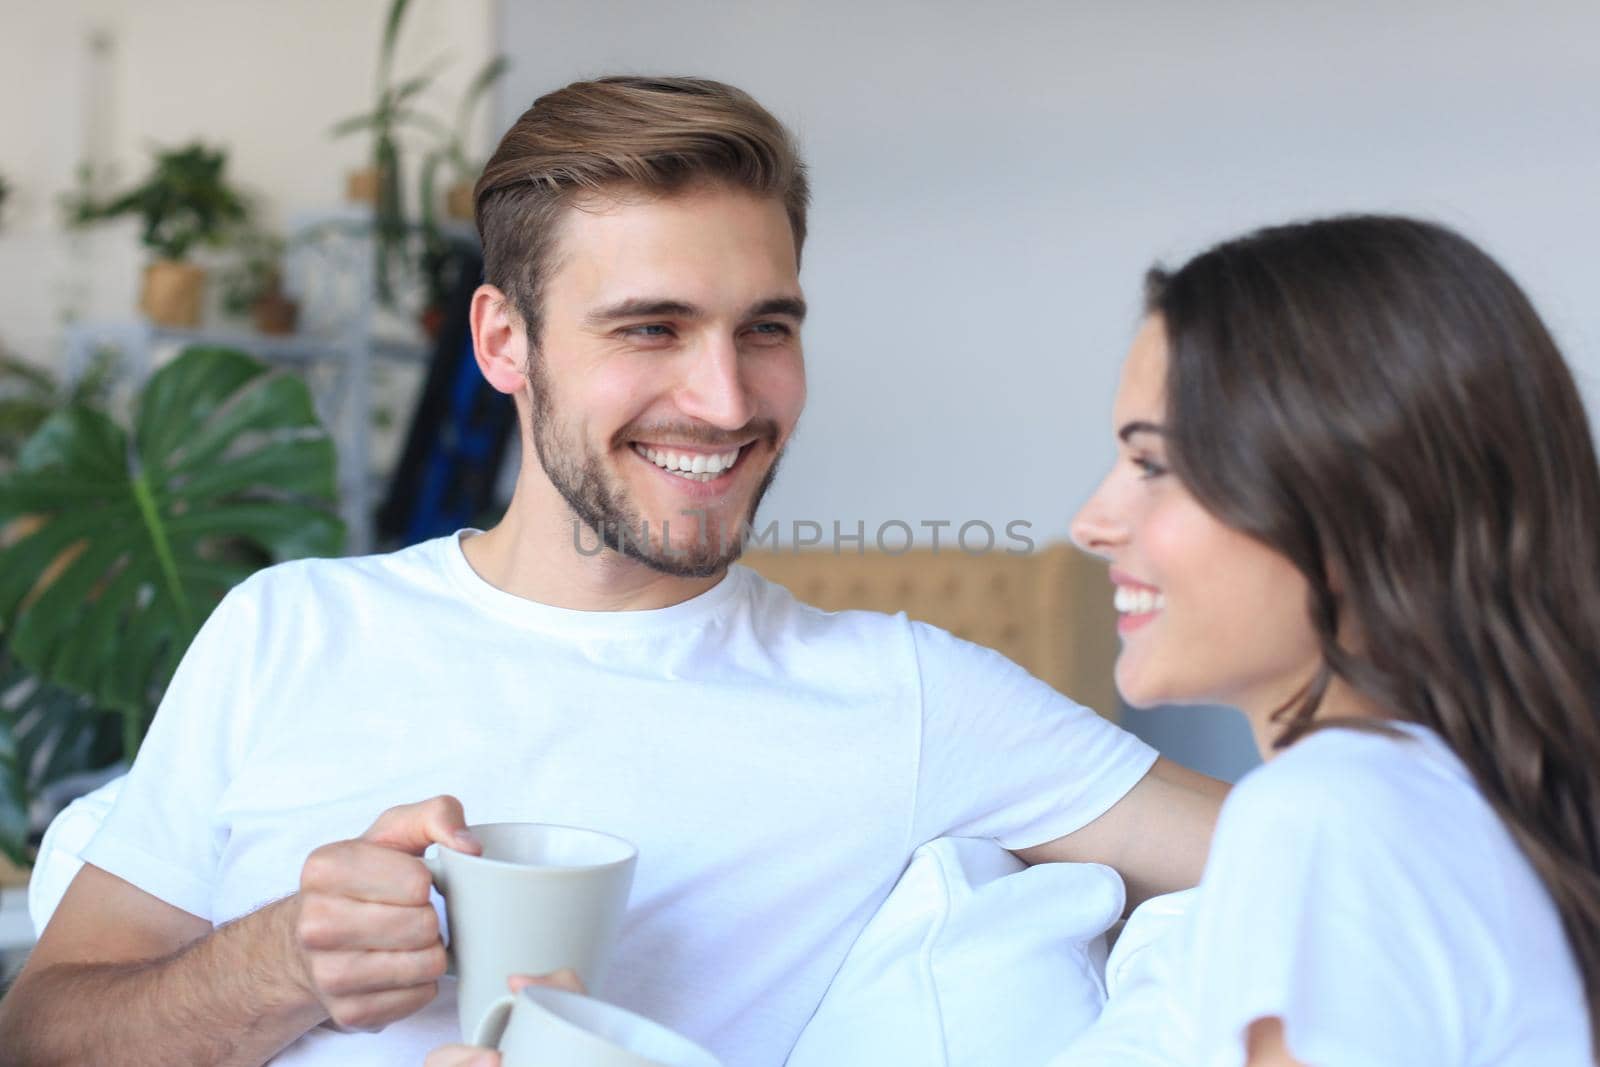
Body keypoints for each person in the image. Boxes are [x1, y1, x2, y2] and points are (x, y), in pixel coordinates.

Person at [0, 76, 1225, 1066]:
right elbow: (43, 1033)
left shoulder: (907, 696)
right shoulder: (291, 627)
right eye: (651, 328)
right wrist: (274, 966)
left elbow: (1344, 856)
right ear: (502, 341)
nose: (727, 399)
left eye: (767, 327)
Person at [1065, 214, 1600, 1064]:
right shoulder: (1465, 805)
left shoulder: (1327, 816)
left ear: (1358, 507)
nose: (1090, 523)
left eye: (1154, 466)